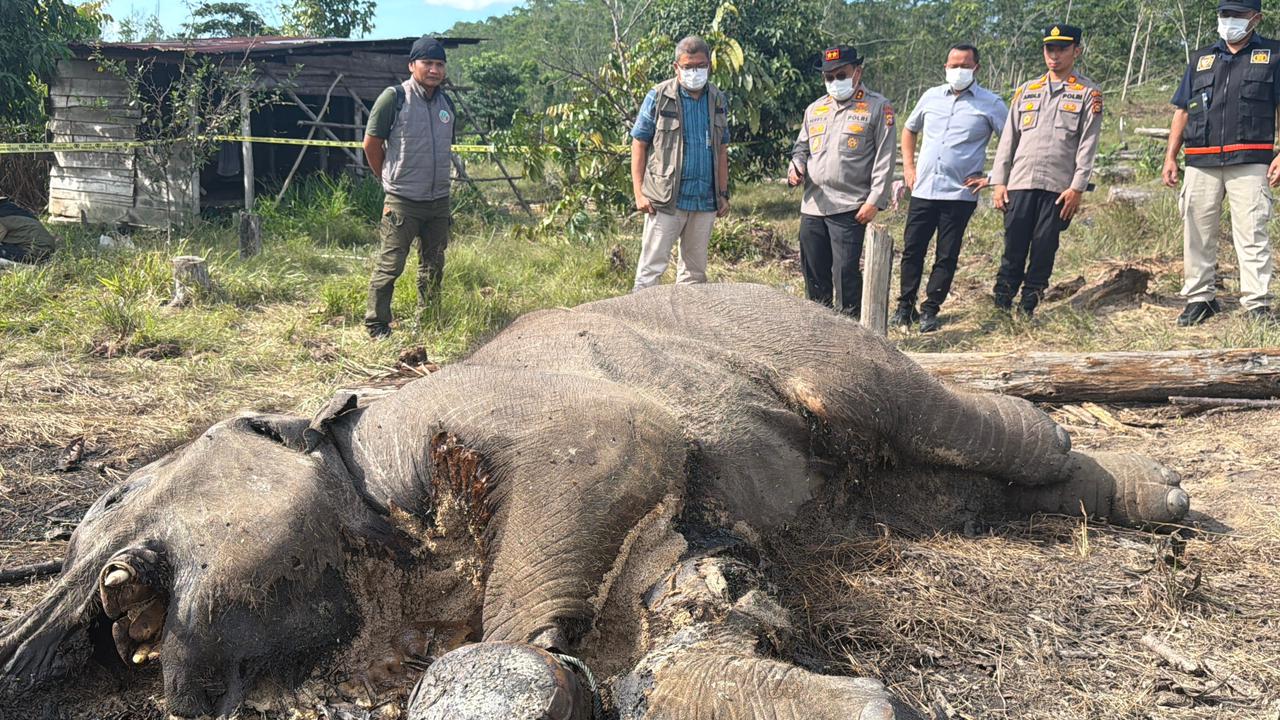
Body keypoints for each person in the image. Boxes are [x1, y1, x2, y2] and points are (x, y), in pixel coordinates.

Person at [1162, 0, 1279, 326]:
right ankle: (1200, 299)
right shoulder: (1201, 59)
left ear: (1256, 18)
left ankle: (1257, 304)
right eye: (1225, 14)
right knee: (1196, 232)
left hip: (1250, 158)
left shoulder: (1274, 55)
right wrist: (1171, 156)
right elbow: (1182, 110)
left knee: (1252, 232)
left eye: (1238, 15)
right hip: (1201, 159)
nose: (1229, 20)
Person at [990, 24, 1103, 317]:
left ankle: (1029, 303)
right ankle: (1002, 302)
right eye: (1049, 49)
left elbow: (1088, 145)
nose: (1054, 55)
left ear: (1076, 51)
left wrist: (1077, 187)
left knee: (1044, 246)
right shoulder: (1027, 90)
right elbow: (1008, 139)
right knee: (1013, 245)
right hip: (1020, 181)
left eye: (1062, 49)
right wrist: (999, 182)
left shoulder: (1087, 93)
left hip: (1058, 187)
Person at [894, 43, 1008, 332]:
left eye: (964, 66)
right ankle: (904, 307)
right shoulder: (931, 96)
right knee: (912, 250)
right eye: (953, 65)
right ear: (945, 67)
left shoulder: (991, 103)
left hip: (959, 193)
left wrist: (992, 178)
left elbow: (1011, 142)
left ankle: (930, 309)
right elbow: (909, 129)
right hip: (924, 189)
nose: (958, 71)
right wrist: (909, 167)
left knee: (946, 254)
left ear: (976, 68)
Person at [789, 44, 896, 316]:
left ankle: (850, 330)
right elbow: (801, 147)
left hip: (849, 206)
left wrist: (875, 201)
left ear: (857, 72)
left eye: (841, 75)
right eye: (829, 77)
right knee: (814, 274)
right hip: (813, 205)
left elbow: (885, 158)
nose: (834, 82)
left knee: (846, 274)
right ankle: (819, 326)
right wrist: (796, 165)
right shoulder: (815, 109)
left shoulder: (877, 107)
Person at [362, 35, 456, 339]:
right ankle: (377, 325)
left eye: (439, 64)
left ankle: (428, 319)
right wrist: (387, 179)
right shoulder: (394, 98)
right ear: (412, 65)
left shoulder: (446, 104)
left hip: (438, 200)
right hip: (403, 200)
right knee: (391, 265)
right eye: (427, 63)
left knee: (433, 265)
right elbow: (371, 144)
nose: (434, 70)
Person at [631, 35, 730, 291]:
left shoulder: (718, 99)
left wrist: (722, 194)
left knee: (694, 275)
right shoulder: (659, 96)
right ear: (676, 67)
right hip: (665, 200)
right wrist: (639, 193)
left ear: (709, 65)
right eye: (688, 67)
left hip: (704, 200)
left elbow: (722, 149)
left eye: (700, 66)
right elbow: (639, 143)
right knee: (651, 270)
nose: (694, 72)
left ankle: (687, 318)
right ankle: (641, 315)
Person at [0, 198, 56, 265]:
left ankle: (23, 265)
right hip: (45, 251)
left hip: (34, 252)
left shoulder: (2, 215)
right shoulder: (9, 209)